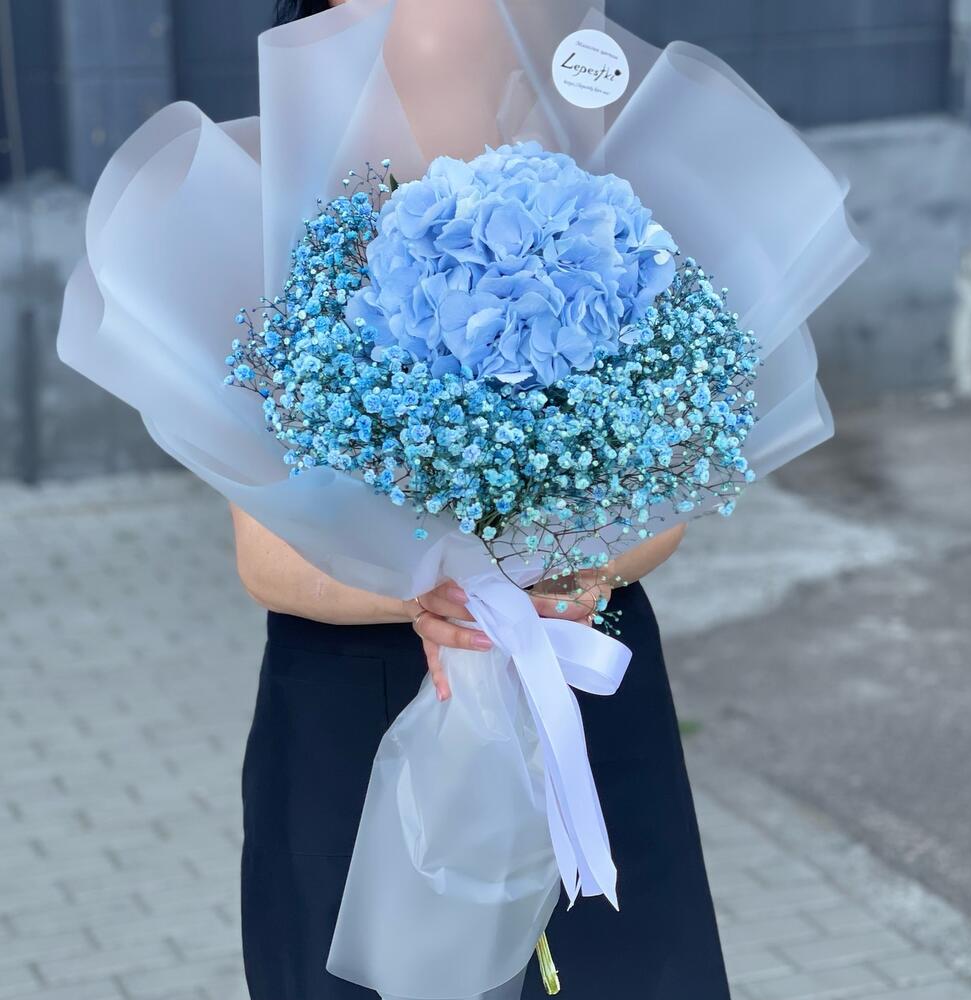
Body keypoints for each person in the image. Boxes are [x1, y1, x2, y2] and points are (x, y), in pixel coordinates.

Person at [234, 3, 732, 997]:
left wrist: (567, 575)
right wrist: (462, 598)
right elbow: (269, 558)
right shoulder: (282, 214)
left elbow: (663, 506)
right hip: (357, 700)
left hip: (577, 663)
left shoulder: (599, 212)